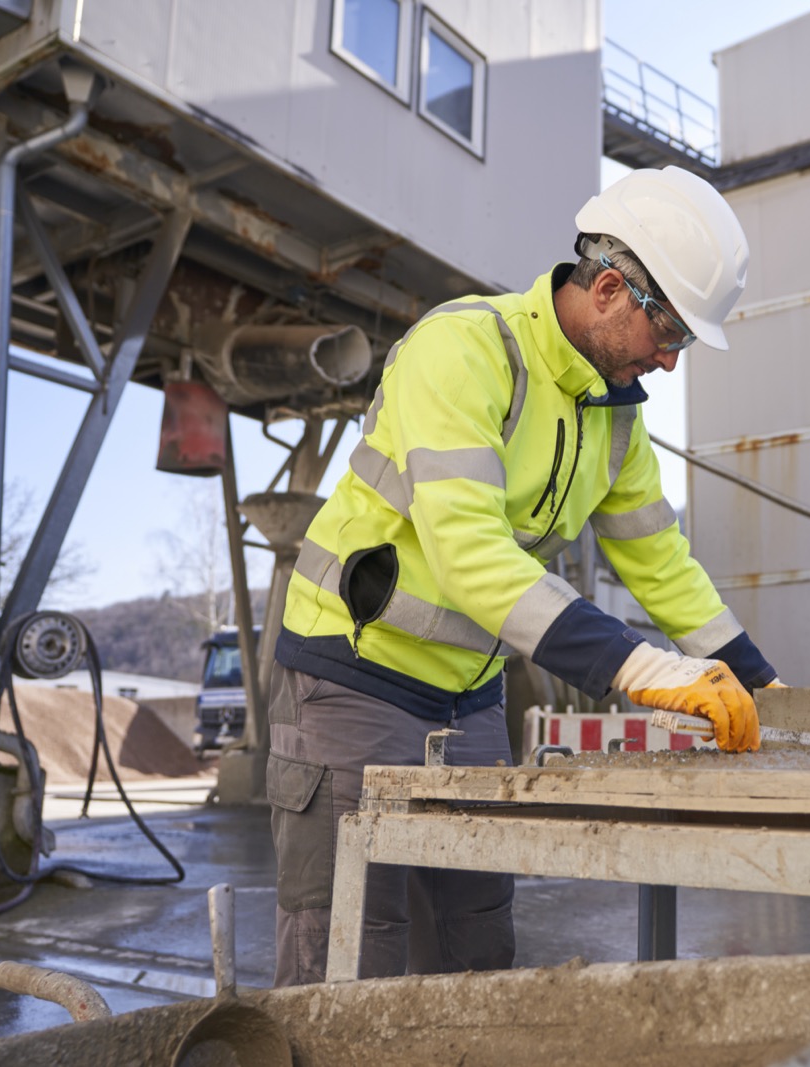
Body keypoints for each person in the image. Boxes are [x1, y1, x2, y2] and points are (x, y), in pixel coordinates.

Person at [265, 165, 782, 986]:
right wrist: (642, 669)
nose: (671, 363)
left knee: (474, 946)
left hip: (468, 697)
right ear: (610, 288)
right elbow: (468, 550)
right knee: (353, 950)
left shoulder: (615, 417)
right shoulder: (466, 348)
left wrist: (760, 684)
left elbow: (659, 560)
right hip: (354, 679)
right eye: (673, 335)